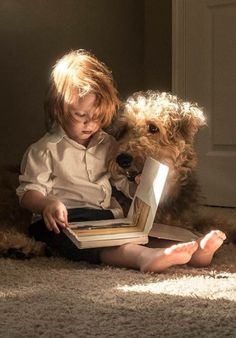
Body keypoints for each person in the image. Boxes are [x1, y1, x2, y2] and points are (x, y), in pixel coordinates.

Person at [16, 49, 226, 272]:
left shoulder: (107, 144)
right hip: (63, 221)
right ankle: (142, 259)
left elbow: (119, 182)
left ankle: (196, 252)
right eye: (80, 115)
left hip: (107, 217)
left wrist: (138, 186)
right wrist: (47, 204)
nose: (90, 124)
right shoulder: (43, 150)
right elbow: (29, 192)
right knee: (109, 247)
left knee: (142, 234)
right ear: (59, 109)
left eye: (97, 117)